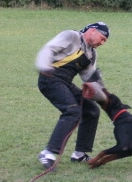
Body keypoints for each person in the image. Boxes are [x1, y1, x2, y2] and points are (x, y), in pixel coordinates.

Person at [35, 21, 110, 169]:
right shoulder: (71, 36)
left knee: (92, 110)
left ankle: (79, 154)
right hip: (49, 78)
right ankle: (48, 152)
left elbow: (90, 79)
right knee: (72, 111)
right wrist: (44, 66)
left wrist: (106, 98)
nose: (102, 43)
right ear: (93, 31)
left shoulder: (91, 53)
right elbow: (48, 49)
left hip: (65, 82)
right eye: (102, 38)